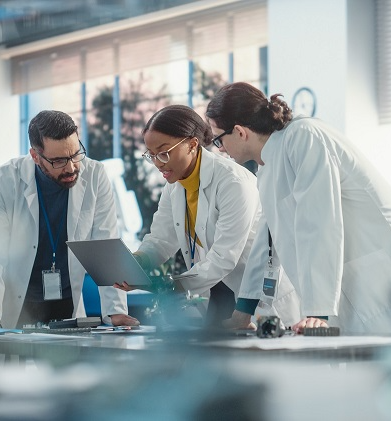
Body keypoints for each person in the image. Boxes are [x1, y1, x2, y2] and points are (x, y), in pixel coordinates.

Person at [206, 82, 391, 335]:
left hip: (379, 275)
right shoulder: (268, 165)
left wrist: (317, 311)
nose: (220, 149)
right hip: (349, 287)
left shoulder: (303, 136)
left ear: (239, 132)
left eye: (219, 139)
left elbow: (319, 221)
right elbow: (268, 240)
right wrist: (244, 310)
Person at [114, 105, 299, 326]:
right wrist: (138, 262)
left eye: (164, 153)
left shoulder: (232, 182)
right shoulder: (175, 187)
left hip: (258, 298)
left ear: (192, 144)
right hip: (217, 296)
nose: (157, 163)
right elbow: (161, 240)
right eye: (151, 155)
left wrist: (166, 284)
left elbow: (223, 259)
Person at [0, 110, 138, 329]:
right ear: (35, 156)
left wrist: (116, 311)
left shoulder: (95, 176)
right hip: (12, 305)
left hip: (66, 304)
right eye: (59, 161)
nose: (71, 168)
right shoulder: (3, 180)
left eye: (75, 154)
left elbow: (105, 248)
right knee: (4, 361)